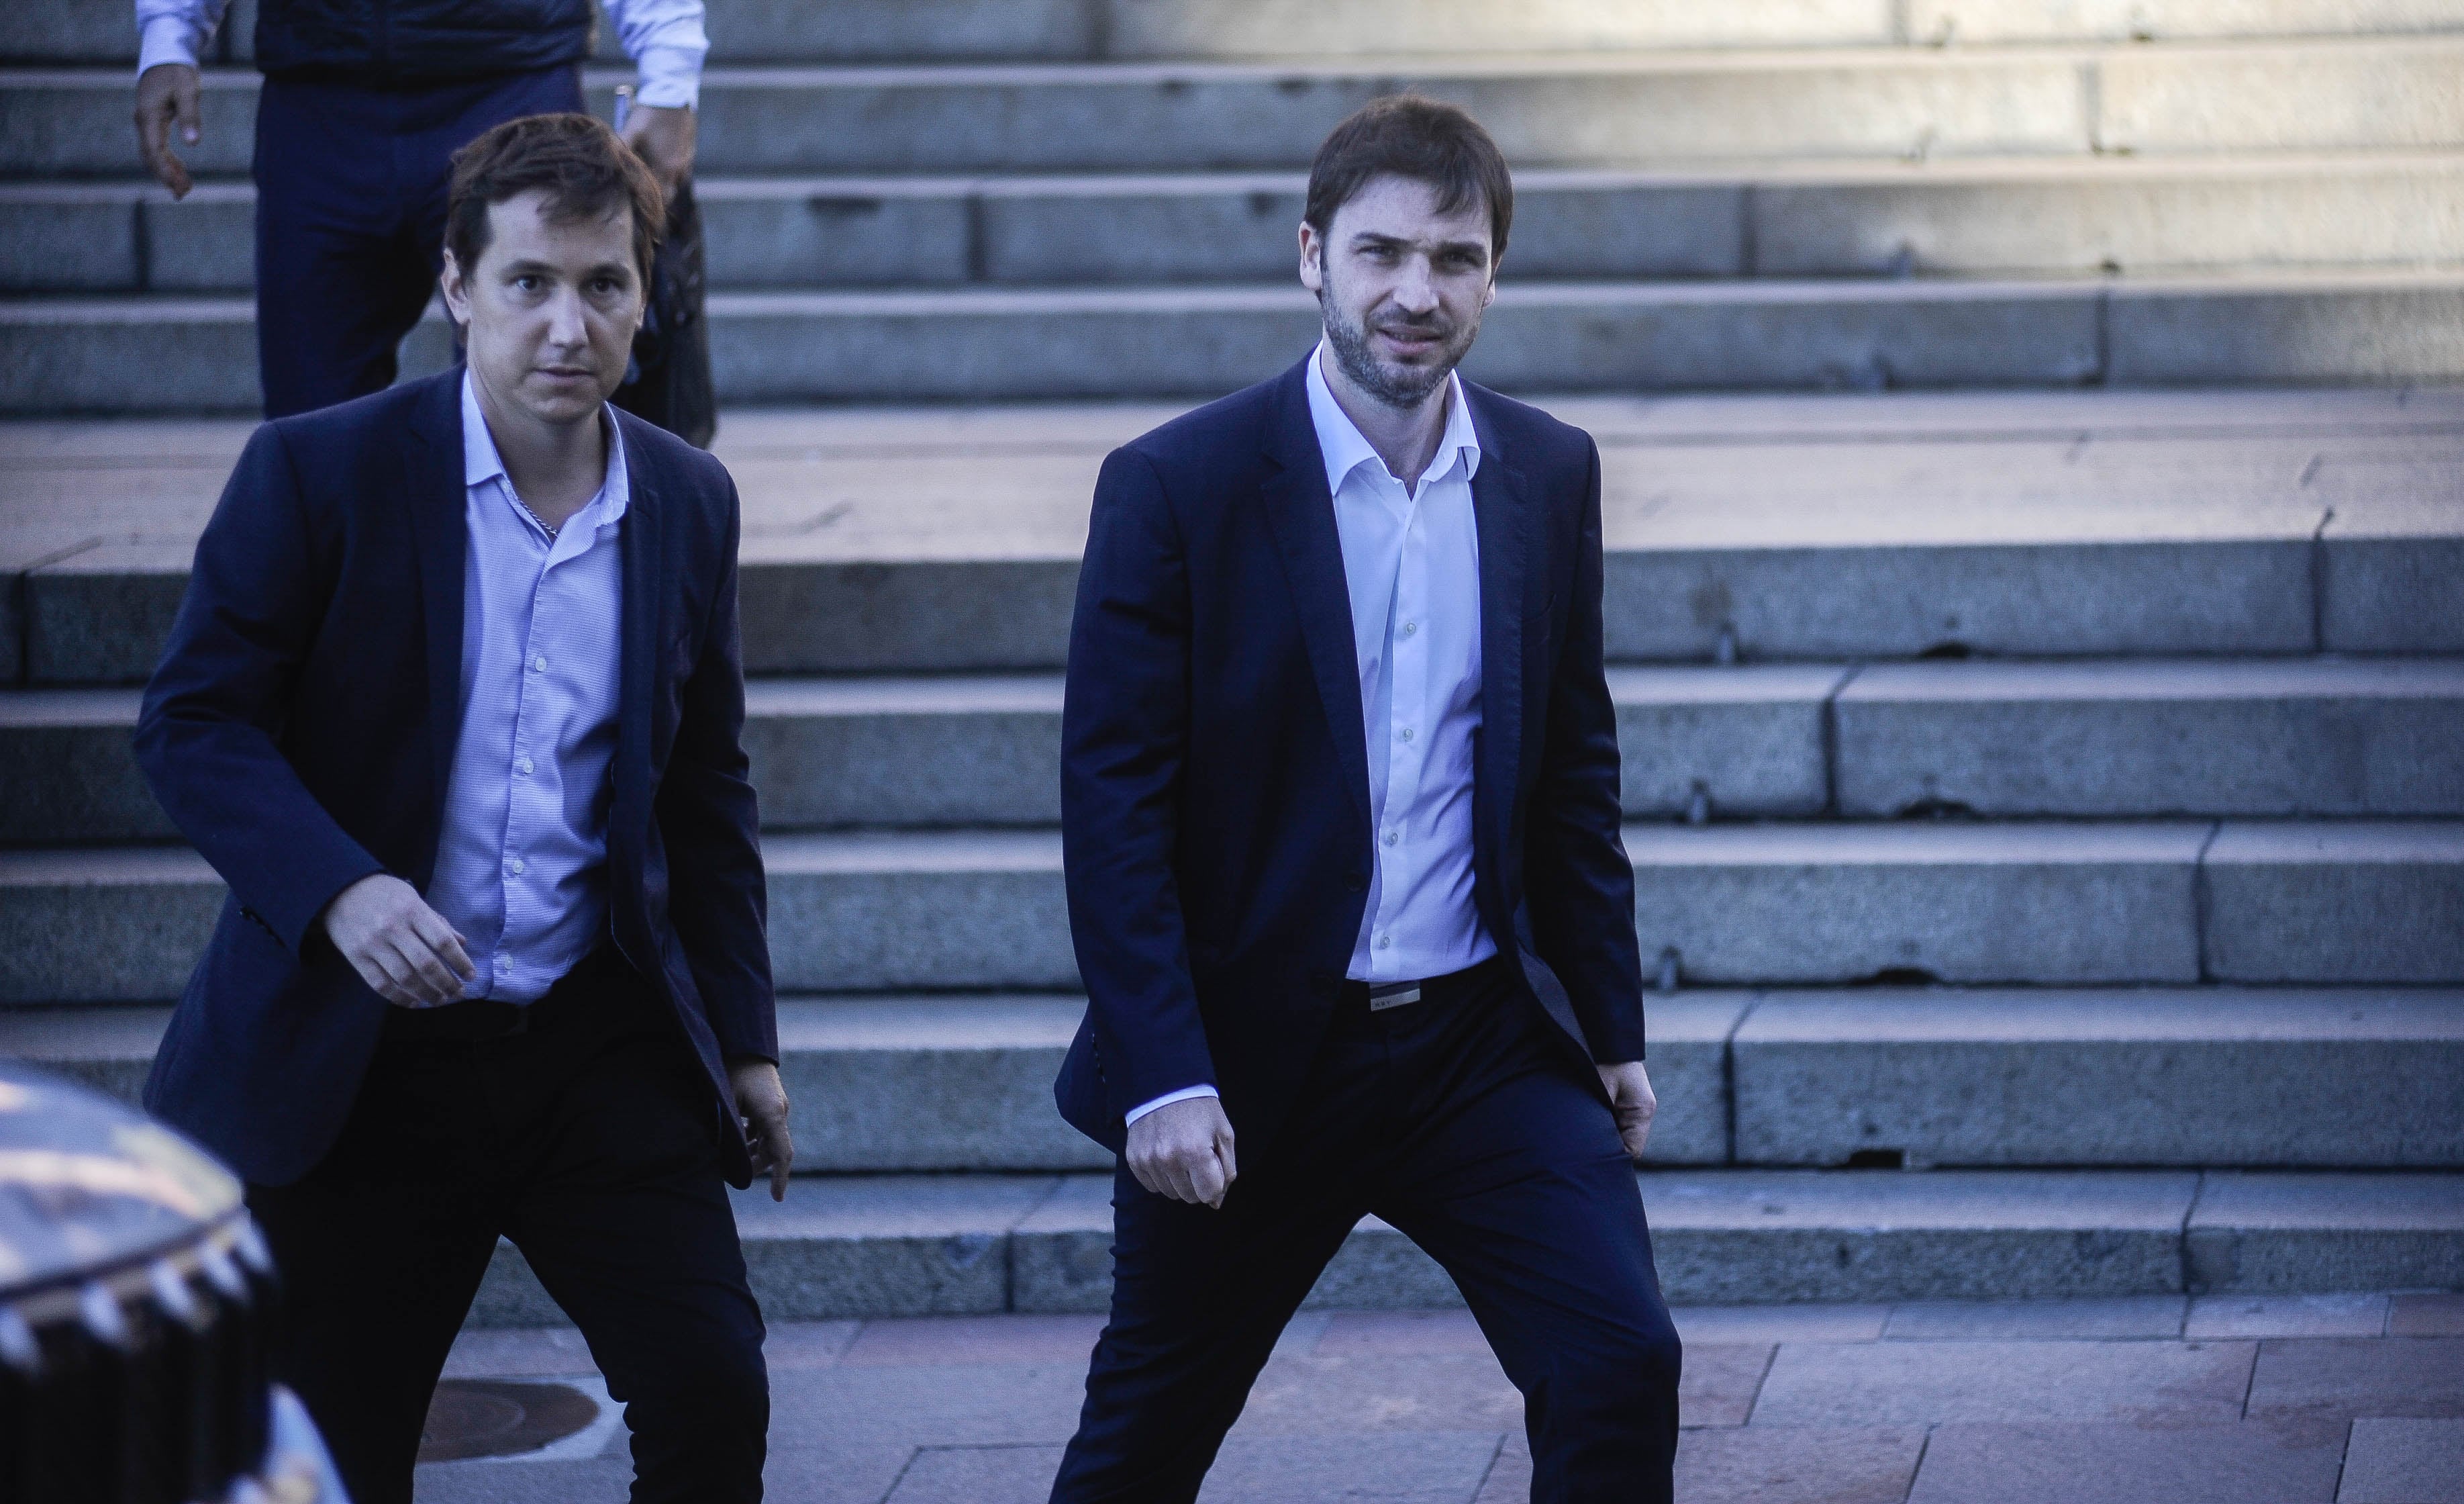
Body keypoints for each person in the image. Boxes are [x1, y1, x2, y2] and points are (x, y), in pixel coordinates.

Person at [134, 113, 785, 1504]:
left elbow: (703, 787)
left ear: (642, 296)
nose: (569, 324)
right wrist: (340, 888)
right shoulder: (321, 474)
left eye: (603, 285)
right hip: (369, 1068)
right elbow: (193, 720)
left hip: (588, 1042)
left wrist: (743, 1043)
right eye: (528, 283)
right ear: (454, 286)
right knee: (338, 1454)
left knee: (711, 1390)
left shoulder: (687, 499)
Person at [1048, 95, 1683, 1503]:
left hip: (1477, 1039)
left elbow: (1571, 768)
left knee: (1618, 1365)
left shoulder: (1543, 471)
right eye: (1380, 252)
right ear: (1309, 257)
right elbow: (1112, 803)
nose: (1415, 292)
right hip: (1252, 1052)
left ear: (1491, 277)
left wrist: (1609, 1021)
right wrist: (1162, 1068)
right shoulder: (1176, 485)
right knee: (1141, 1445)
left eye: (1454, 258)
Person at [131, 0, 705, 418]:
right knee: (311, 414)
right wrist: (168, 34)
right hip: (319, 98)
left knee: (544, 394)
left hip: (507, 82)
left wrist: (670, 70)